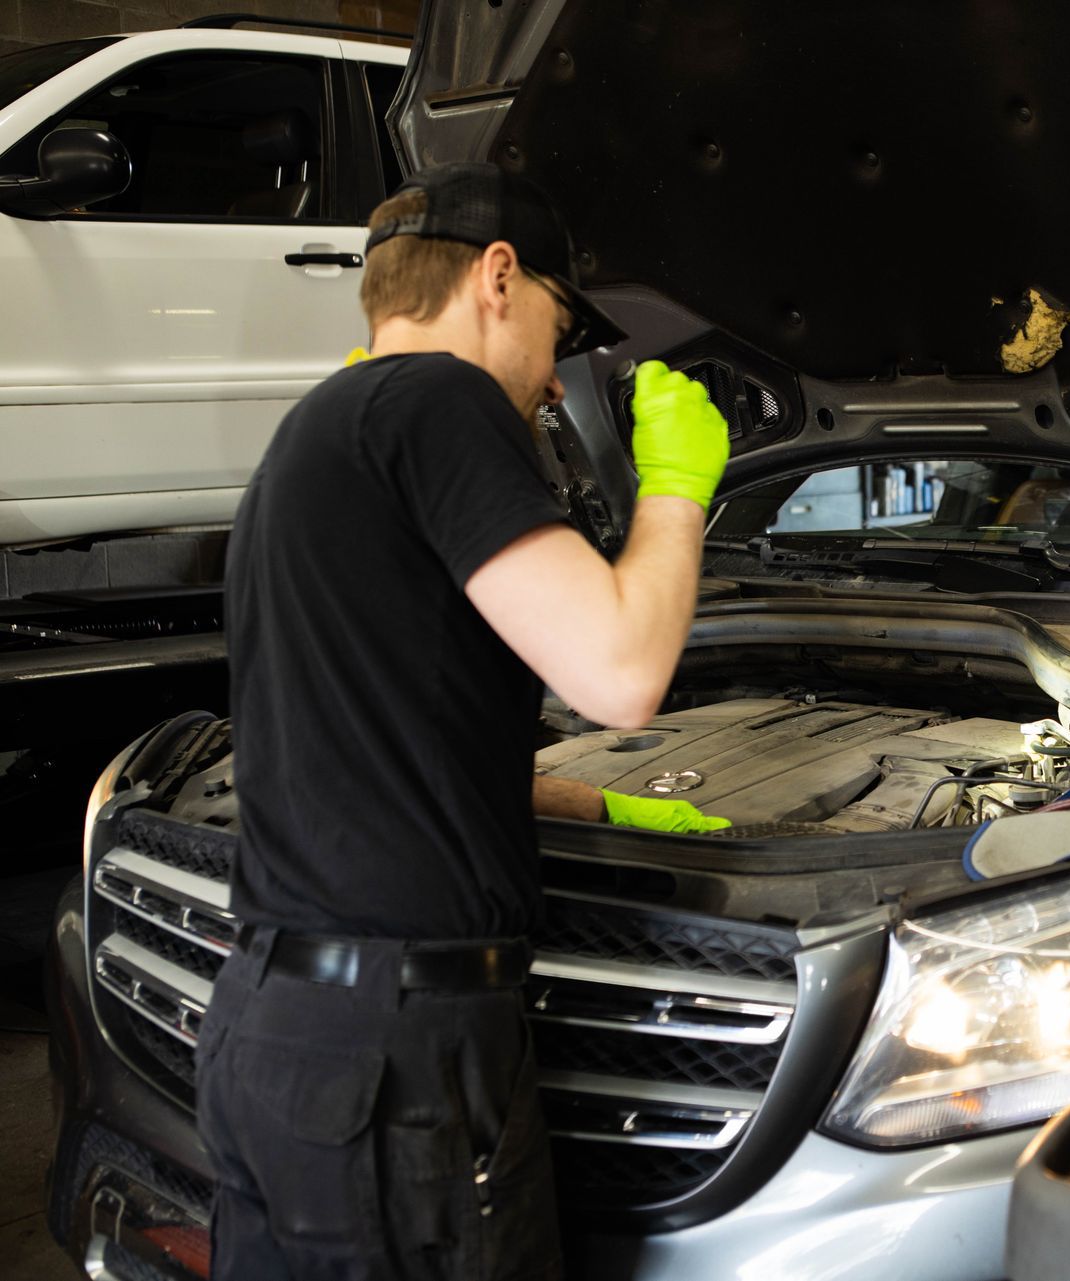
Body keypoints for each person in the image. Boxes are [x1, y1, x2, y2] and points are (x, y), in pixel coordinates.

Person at [193, 161, 731, 1279]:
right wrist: (678, 489)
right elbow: (624, 678)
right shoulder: (441, 402)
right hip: (399, 1064)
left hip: (278, 1039)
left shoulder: (314, 436)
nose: (555, 377)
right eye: (560, 321)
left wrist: (596, 804)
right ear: (497, 277)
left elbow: (369, 739)